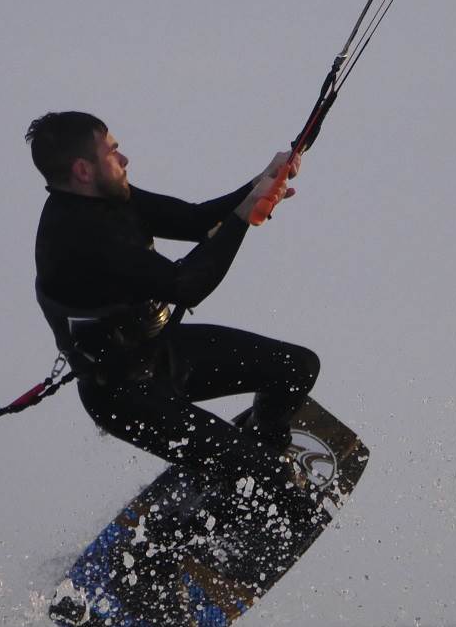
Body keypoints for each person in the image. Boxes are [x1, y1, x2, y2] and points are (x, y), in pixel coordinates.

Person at [26, 111, 320, 494]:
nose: (124, 160)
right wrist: (244, 214)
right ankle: (249, 483)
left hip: (164, 355)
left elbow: (197, 222)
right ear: (83, 170)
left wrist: (261, 182)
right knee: (272, 481)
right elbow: (187, 285)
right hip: (125, 396)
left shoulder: (108, 197)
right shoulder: (78, 236)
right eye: (113, 152)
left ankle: (263, 449)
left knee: (297, 368)